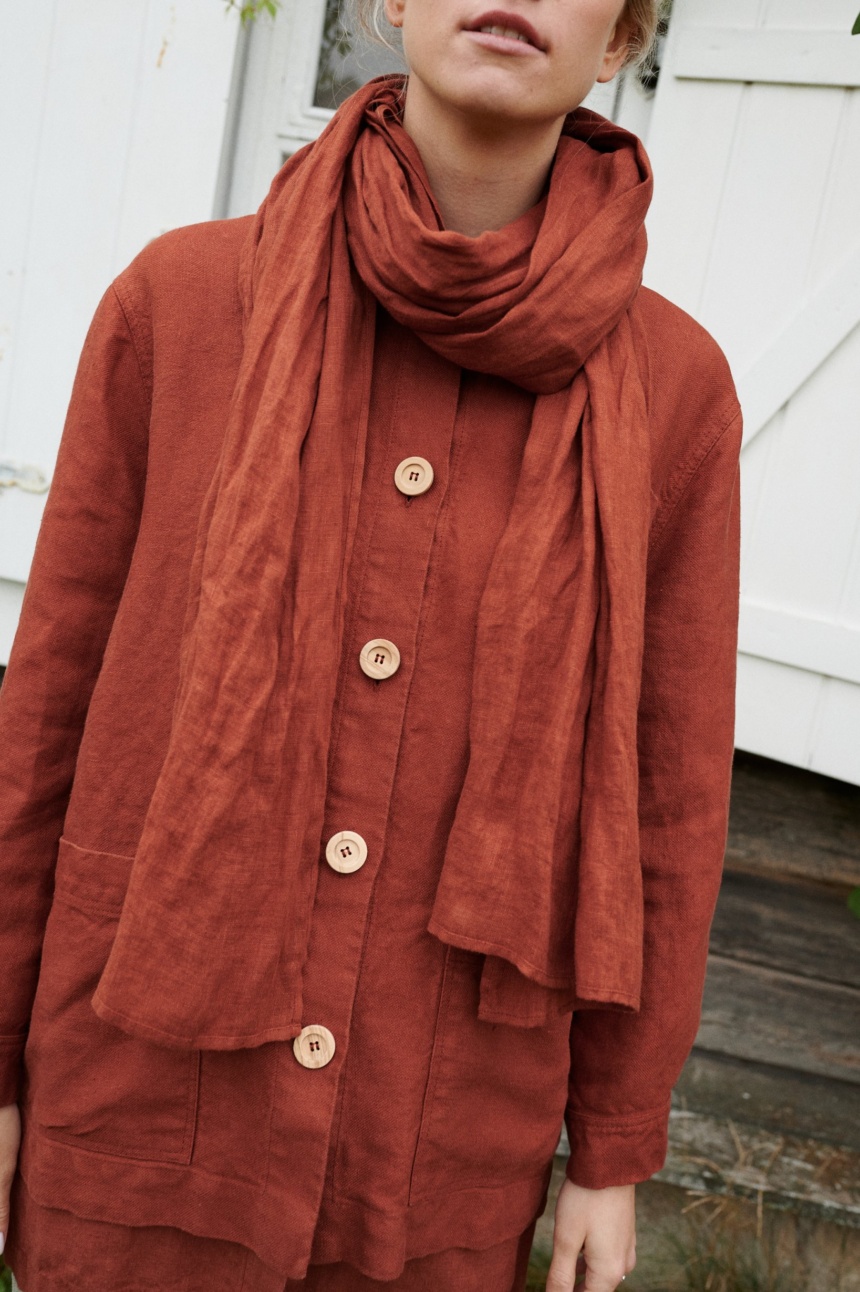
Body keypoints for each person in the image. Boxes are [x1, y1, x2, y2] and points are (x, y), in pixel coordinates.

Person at [0, 0, 743, 1289]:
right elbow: (47, 711)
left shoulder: (675, 391)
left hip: (435, 1137)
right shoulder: (179, 307)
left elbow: (667, 799)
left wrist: (613, 1151)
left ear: (623, 37)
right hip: (140, 1102)